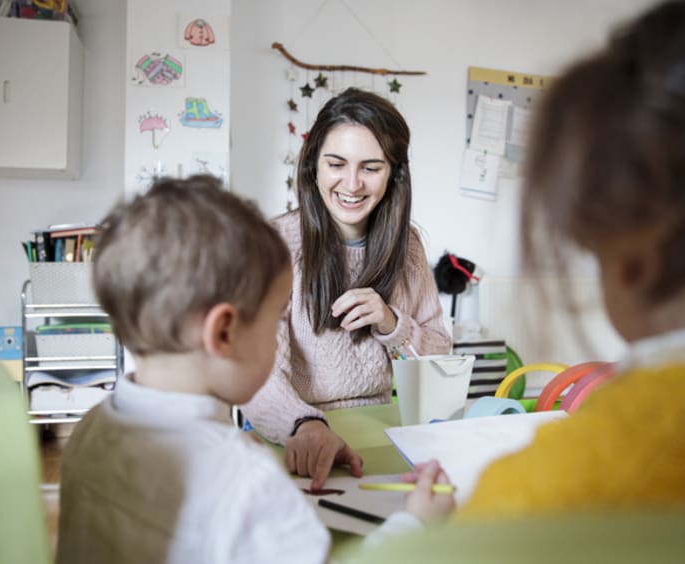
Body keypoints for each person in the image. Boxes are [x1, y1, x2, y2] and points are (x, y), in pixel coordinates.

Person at [55, 175, 451, 564]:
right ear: (224, 332)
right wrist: (415, 525)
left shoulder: (90, 430)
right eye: (276, 317)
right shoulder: (246, 482)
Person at [396, 0, 685, 522]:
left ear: (628, 255)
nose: (353, 183)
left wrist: (422, 528)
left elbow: (437, 343)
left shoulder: (539, 490)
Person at [241, 88, 452, 490]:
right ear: (313, 167)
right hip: (292, 427)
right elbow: (256, 371)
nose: (352, 184)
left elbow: (441, 354)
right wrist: (304, 423)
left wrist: (392, 324)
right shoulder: (273, 244)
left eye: (371, 167)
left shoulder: (408, 246)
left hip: (383, 425)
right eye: (336, 163)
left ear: (394, 174)